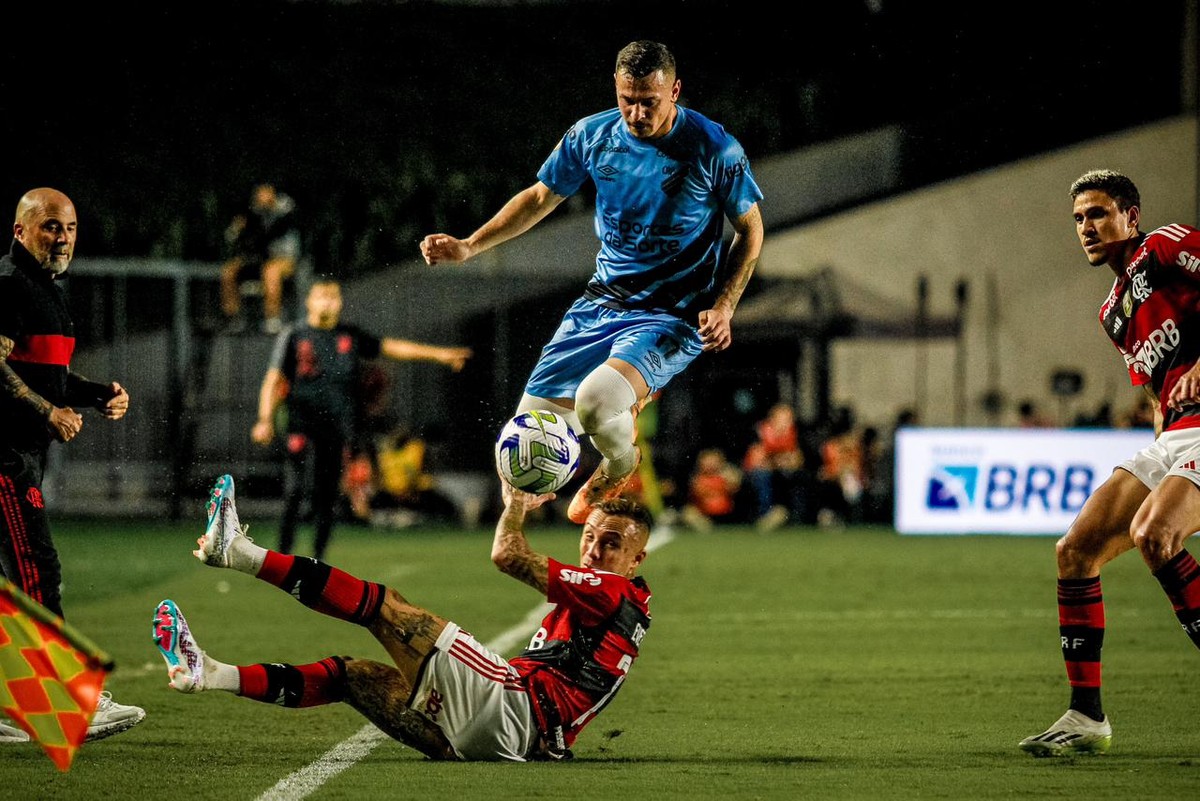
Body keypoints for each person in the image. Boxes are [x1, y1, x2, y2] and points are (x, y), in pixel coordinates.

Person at [420, 40, 764, 526]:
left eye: (650, 101)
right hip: (599, 304)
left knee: (597, 402)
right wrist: (469, 245)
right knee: (518, 448)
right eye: (628, 99)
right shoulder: (592, 135)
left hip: (672, 314)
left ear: (676, 91)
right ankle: (538, 558)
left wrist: (725, 305)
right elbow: (540, 196)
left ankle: (622, 462)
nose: (637, 112)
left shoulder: (713, 147)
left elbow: (751, 231)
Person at [152, 472, 653, 761]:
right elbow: (579, 518)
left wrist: (516, 501)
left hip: (513, 707)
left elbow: (507, 553)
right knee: (351, 676)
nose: (593, 550)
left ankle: (236, 553)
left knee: (386, 608)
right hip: (513, 741)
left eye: (611, 544)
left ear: (636, 561)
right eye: (590, 537)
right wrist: (598, 481)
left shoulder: (612, 590)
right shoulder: (621, 601)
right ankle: (210, 674)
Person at [1018, 170, 1200, 757]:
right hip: (1176, 434)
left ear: (1131, 215)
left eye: (1098, 213)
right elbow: (1154, 394)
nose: (1086, 228)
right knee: (1075, 551)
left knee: (1156, 535)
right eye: (1077, 219)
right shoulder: (1113, 312)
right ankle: (1085, 716)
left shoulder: (1166, 246)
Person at [0, 188, 145, 742]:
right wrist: (47, 411)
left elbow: (44, 373)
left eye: (69, 228)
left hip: (21, 453)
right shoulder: (10, 285)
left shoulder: (46, 291)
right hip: (5, 456)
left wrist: (95, 392)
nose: (61, 238)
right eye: (49, 227)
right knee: (38, 572)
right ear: (20, 231)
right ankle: (62, 702)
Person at [252, 277, 472, 561]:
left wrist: (439, 354)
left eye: (334, 297)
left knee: (327, 496)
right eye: (322, 296)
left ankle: (317, 558)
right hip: (301, 425)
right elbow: (273, 380)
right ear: (309, 302)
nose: (328, 302)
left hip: (336, 429)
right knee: (295, 491)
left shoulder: (349, 336)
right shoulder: (294, 335)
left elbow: (391, 347)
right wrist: (264, 419)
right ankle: (281, 557)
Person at [220, 182, 302, 334]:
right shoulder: (254, 212)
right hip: (262, 260)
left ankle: (272, 318)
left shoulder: (285, 209)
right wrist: (238, 229)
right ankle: (234, 317)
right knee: (229, 271)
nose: (261, 197)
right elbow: (236, 237)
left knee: (270, 271)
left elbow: (272, 232)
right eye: (259, 193)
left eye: (265, 192)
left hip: (286, 259)